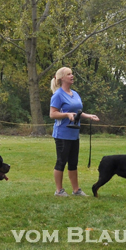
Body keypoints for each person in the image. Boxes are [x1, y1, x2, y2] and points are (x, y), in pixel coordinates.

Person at [49, 67, 100, 197]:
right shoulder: (58, 95)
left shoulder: (75, 94)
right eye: (69, 74)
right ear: (62, 78)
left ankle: (76, 190)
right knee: (61, 161)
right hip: (62, 134)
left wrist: (89, 116)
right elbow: (52, 114)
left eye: (72, 74)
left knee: (73, 162)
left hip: (74, 134)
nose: (72, 76)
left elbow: (78, 112)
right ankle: (59, 190)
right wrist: (66, 115)